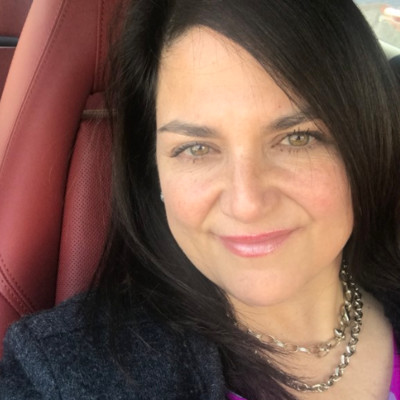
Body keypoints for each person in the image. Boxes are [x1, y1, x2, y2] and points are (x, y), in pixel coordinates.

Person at [1, 0, 400, 399]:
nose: (246, 203)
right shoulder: (57, 374)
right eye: (196, 149)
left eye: (297, 138)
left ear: (367, 142)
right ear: (154, 171)